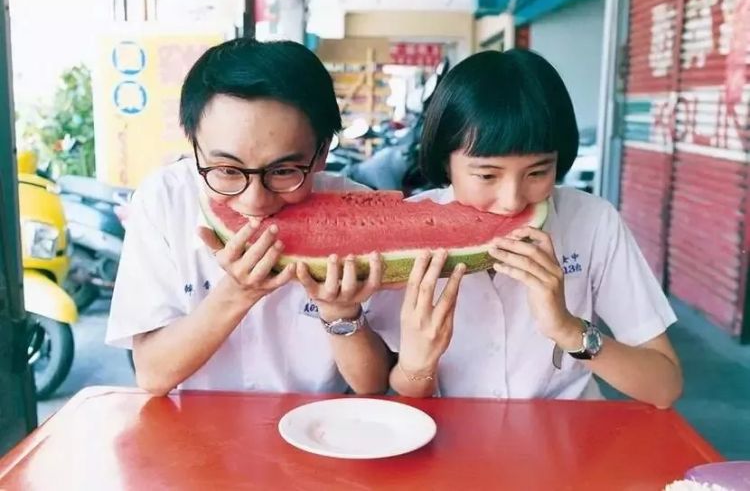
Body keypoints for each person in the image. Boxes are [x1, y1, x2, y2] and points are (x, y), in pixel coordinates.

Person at [367, 49, 683, 408]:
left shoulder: (594, 221)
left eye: (537, 172)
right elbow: (394, 389)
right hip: (454, 444)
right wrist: (418, 362)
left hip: (569, 443)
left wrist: (567, 329)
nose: (512, 201)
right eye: (487, 175)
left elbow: (665, 386)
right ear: (445, 161)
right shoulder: (404, 232)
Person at [106, 38, 391, 396]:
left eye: (284, 170)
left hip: (318, 432)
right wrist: (236, 293)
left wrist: (341, 312)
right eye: (226, 169)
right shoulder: (164, 201)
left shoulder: (358, 212)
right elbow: (152, 375)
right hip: (197, 436)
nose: (254, 200)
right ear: (193, 145)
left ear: (321, 153)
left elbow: (374, 385)